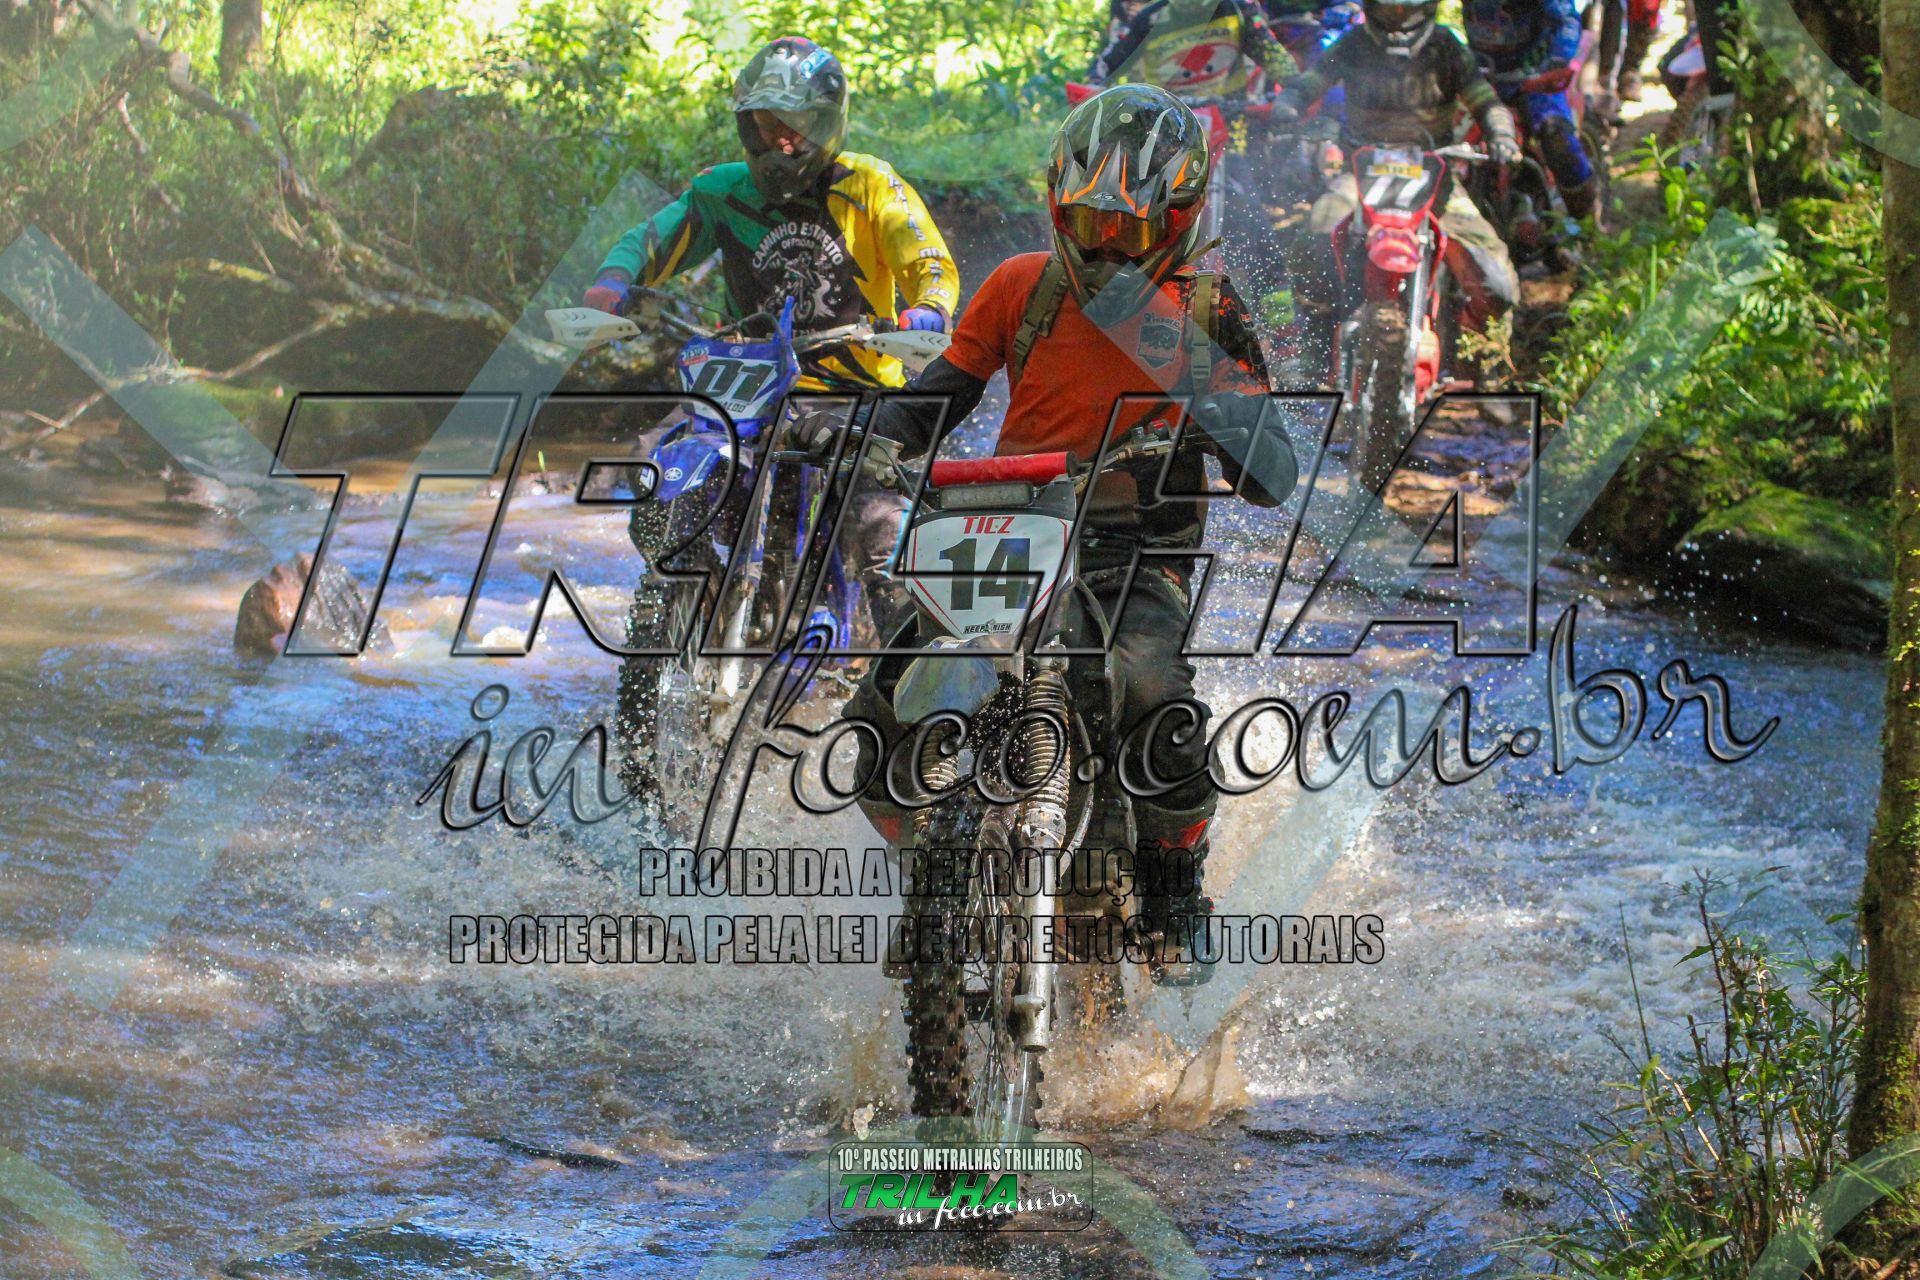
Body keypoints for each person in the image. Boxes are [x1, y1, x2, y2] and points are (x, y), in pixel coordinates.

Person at [841, 85, 1299, 985]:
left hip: (1139, 545)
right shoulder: (1023, 284)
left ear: (1179, 219)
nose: (1105, 246)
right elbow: (938, 398)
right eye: (1090, 222)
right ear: (1058, 205)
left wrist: (1210, 413)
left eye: (1129, 230)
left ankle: (1173, 893)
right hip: (1010, 526)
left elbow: (1271, 472)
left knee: (1152, 688)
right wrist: (873, 441)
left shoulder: (1205, 308)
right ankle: (933, 871)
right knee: (884, 705)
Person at [582, 37, 959, 642]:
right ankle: (679, 596)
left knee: (881, 527)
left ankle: (902, 676)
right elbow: (651, 239)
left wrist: (928, 310)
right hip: (745, 389)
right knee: (658, 470)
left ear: (826, 124)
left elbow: (927, 260)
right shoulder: (722, 191)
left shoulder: (869, 186)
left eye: (794, 128)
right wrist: (612, 282)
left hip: (852, 391)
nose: (779, 144)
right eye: (765, 127)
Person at [1268, 0, 1521, 380]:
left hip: (1435, 179)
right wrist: (1287, 107)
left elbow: (1486, 100)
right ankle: (1316, 351)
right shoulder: (1353, 43)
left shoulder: (1446, 47)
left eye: (1406, 9)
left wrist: (1501, 134)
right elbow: (1308, 84)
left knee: (1494, 277)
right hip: (1361, 172)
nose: (1398, 16)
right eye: (1390, 9)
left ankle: (1491, 372)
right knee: (1316, 236)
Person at [1463, 0, 1599, 219]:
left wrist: (1559, 58)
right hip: (1479, 76)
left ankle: (1586, 217)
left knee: (1556, 135)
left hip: (1535, 76)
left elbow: (1567, 20)